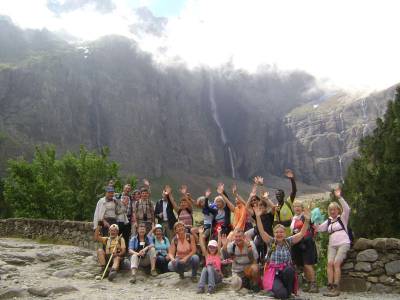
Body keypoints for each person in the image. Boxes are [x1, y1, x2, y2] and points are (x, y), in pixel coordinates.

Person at [254, 204, 311, 299]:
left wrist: (307, 220)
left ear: (285, 233)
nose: (279, 234)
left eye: (281, 232)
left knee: (289, 270)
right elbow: (261, 231)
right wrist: (258, 217)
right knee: (281, 295)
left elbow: (301, 234)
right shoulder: (271, 241)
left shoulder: (288, 241)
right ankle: (281, 290)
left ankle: (288, 292)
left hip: (285, 272)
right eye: (276, 232)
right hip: (274, 273)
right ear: (273, 233)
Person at [317, 188, 351, 297]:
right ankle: (330, 287)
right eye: (330, 210)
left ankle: (336, 288)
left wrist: (339, 197)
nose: (332, 211)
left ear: (338, 210)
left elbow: (348, 209)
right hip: (332, 245)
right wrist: (312, 222)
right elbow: (318, 228)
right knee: (329, 264)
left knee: (336, 263)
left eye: (334, 209)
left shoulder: (343, 218)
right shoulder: (329, 221)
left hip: (343, 243)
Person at [290, 199, 319, 293]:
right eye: (295, 206)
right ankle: (309, 283)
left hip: (306, 242)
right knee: (303, 264)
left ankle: (314, 284)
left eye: (299, 206)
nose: (297, 208)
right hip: (298, 243)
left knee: (307, 264)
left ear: (302, 208)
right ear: (293, 208)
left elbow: (308, 223)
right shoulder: (294, 217)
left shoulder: (305, 216)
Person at [197, 227, 223, 294]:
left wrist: (219, 233)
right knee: (205, 268)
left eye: (213, 247)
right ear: (208, 248)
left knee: (208, 266)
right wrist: (200, 233)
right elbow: (202, 245)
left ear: (216, 248)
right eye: (210, 247)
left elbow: (219, 244)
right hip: (208, 278)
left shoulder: (218, 254)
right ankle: (201, 287)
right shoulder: (206, 255)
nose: (212, 248)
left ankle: (211, 287)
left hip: (217, 277)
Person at [274, 169, 297, 236]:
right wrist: (286, 222)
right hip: (282, 236)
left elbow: (294, 191)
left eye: (280, 195)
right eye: (277, 195)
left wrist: (292, 179)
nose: (278, 196)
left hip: (292, 234)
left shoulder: (288, 202)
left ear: (283, 195)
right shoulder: (276, 207)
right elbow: (277, 223)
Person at [116, 184, 131, 248]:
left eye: (129, 189)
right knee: (117, 236)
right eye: (126, 188)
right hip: (120, 219)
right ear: (123, 188)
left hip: (128, 220)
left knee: (126, 237)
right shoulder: (118, 196)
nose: (127, 190)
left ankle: (125, 252)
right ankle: (116, 250)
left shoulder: (130, 197)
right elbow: (115, 208)